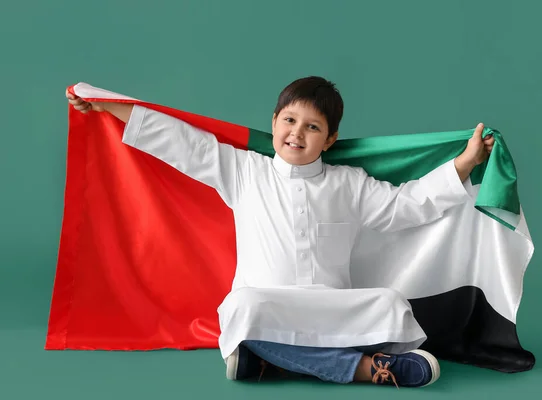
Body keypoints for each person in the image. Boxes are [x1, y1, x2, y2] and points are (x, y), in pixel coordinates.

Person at [66, 76, 495, 388]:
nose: (297, 133)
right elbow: (178, 141)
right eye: (289, 120)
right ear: (273, 122)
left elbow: (408, 205)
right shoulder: (243, 171)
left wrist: (466, 163)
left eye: (312, 127)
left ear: (330, 139)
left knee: (390, 305)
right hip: (269, 306)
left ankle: (274, 361)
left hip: (331, 309)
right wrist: (105, 104)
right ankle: (367, 369)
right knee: (242, 309)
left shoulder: (349, 183)